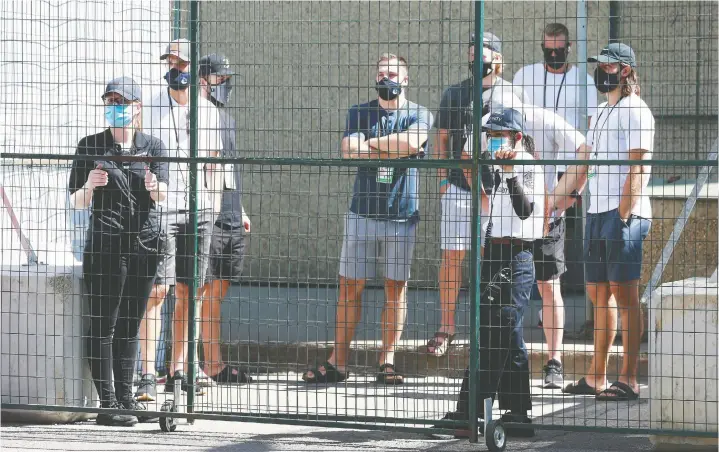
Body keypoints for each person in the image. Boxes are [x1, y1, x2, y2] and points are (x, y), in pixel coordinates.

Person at [301, 53, 433, 385]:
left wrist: (371, 145)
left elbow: (413, 141)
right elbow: (349, 150)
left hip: (401, 216)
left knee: (395, 288)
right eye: (380, 73)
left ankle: (386, 362)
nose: (384, 78)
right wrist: (393, 149)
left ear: (405, 79)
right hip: (362, 212)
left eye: (392, 73)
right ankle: (338, 363)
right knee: (350, 287)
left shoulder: (419, 113)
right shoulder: (360, 112)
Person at [68, 77, 168, 425]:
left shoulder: (153, 146)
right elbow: (76, 202)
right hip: (106, 247)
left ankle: (127, 400)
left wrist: (156, 188)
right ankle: (106, 404)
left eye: (122, 101)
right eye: (110, 101)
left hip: (144, 245)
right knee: (104, 324)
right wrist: (88, 187)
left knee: (130, 324)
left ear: (136, 107)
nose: (116, 107)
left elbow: (164, 195)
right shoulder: (90, 146)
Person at [557, 43, 654, 401]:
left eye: (609, 66)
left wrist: (624, 213)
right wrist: (568, 197)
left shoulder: (637, 111)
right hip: (596, 213)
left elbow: (638, 166)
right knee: (599, 293)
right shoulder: (599, 112)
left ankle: (628, 378)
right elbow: (589, 163)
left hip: (623, 214)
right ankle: (596, 376)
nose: (602, 71)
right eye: (600, 65)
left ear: (625, 71)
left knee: (624, 293)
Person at [440, 108, 544, 437]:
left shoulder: (525, 163)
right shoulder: (496, 163)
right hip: (495, 252)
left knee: (498, 331)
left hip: (517, 255)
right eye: (489, 134)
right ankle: (514, 413)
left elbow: (526, 212)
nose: (492, 139)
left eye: (498, 134)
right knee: (497, 332)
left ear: (515, 136)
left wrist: (511, 173)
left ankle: (473, 410)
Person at [429, 31, 527, 357]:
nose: (475, 59)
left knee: (492, 259)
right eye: (471, 53)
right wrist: (444, 183)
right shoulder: (455, 93)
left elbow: (523, 139)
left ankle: (486, 328)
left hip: (499, 192)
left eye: (481, 53)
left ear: (497, 58)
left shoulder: (512, 95)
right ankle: (446, 328)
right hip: (459, 188)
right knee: (453, 257)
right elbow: (441, 141)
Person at [136, 38, 223, 400]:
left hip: (199, 210)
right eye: (170, 62)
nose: (175, 68)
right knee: (157, 290)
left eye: (181, 63)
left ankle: (179, 368)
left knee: (192, 291)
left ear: (193, 69)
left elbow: (214, 163)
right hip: (161, 208)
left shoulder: (209, 111)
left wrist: (214, 206)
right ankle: (145, 374)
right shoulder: (150, 108)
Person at [512, 23, 598, 386]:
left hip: (558, 194)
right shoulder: (525, 77)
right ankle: (509, 352)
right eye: (547, 48)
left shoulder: (583, 83)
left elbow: (588, 139)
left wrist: (568, 192)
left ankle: (554, 359)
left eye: (559, 49)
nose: (553, 55)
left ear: (569, 48)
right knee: (509, 284)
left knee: (550, 283)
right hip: (518, 200)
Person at [197, 53, 253, 383]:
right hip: (206, 212)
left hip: (231, 210)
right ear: (204, 80)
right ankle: (200, 364)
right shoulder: (194, 116)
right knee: (200, 291)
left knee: (218, 291)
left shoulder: (226, 118)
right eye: (221, 78)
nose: (226, 84)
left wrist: (240, 208)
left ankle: (213, 362)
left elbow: (228, 167)